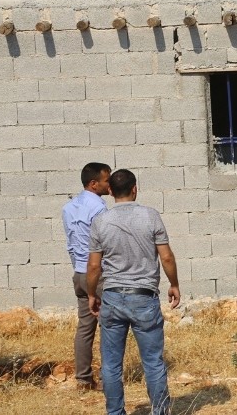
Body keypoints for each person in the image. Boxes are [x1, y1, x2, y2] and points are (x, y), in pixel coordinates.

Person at [87, 169, 180, 415]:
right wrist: (174, 284)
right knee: (153, 362)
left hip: (113, 296)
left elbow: (94, 266)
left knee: (111, 364)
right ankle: (160, 411)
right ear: (135, 189)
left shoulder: (100, 221)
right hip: (144, 296)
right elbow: (166, 257)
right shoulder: (151, 216)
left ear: (109, 191)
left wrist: (92, 294)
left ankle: (115, 412)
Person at [61, 162, 111, 390]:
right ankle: (108, 379)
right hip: (97, 274)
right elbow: (105, 243)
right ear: (93, 184)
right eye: (106, 180)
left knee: (85, 327)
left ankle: (83, 379)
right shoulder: (99, 208)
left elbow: (72, 243)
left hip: (79, 273)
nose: (109, 184)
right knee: (108, 326)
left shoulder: (69, 207)